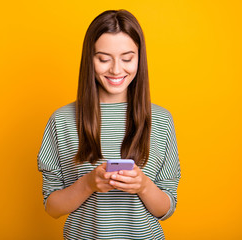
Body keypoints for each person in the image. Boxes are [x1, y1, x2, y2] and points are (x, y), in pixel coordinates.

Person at [37, 9, 181, 240]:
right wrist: (88, 184)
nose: (116, 69)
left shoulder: (161, 120)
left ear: (139, 58)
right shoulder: (62, 120)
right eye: (103, 59)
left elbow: (166, 209)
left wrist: (143, 185)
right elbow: (52, 207)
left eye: (127, 58)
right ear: (89, 59)